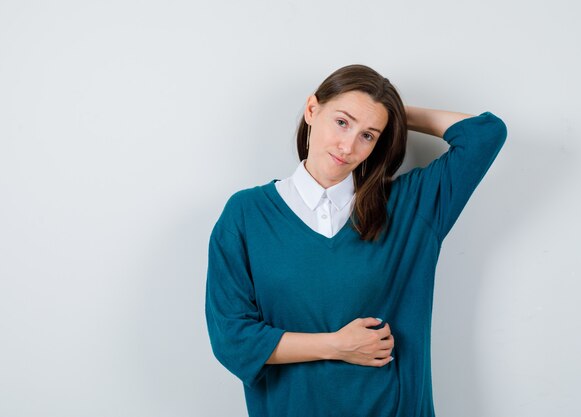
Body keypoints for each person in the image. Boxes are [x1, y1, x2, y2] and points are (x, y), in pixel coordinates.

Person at [205, 64, 507, 417]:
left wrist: (391, 112)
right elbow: (232, 338)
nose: (348, 145)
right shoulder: (246, 214)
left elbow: (485, 134)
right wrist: (336, 345)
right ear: (312, 110)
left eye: (368, 135)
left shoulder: (410, 208)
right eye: (342, 121)